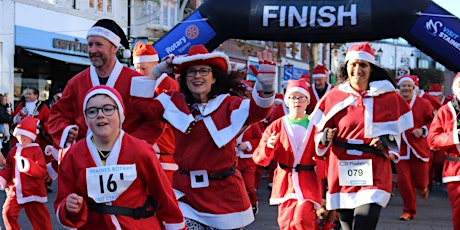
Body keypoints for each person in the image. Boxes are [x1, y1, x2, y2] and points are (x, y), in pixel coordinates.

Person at [130, 44, 276, 229]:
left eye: (203, 71)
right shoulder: (173, 101)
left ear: (214, 77)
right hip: (186, 195)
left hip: (224, 197)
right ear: (184, 78)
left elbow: (259, 112)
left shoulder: (229, 104)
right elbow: (141, 105)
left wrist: (268, 89)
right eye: (191, 72)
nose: (197, 76)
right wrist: (158, 71)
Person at [309, 42, 413, 230]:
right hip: (342, 169)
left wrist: (385, 141)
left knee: (364, 223)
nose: (358, 69)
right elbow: (318, 131)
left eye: (363, 65)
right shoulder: (334, 96)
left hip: (374, 169)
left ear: (371, 68)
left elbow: (398, 134)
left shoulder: (389, 96)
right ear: (346, 67)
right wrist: (325, 137)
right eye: (353, 64)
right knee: (347, 227)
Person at [54, 85, 185, 229]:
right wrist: (69, 206)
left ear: (120, 113)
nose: (100, 115)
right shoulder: (74, 155)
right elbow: (63, 199)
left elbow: (164, 197)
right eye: (92, 111)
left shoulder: (141, 151)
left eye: (108, 109)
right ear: (86, 118)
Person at [48, 19, 164, 151]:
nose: (93, 50)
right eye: (90, 45)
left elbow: (155, 119)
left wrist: (132, 144)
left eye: (99, 44)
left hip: (126, 161)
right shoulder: (76, 82)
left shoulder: (136, 81)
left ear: (114, 47)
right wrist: (66, 130)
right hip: (87, 158)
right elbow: (57, 114)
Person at [253, 78, 322, 229]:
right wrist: (268, 147)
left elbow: (325, 153)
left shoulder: (316, 126)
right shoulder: (277, 125)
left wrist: (322, 168)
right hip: (285, 182)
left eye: (301, 97)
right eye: (293, 97)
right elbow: (259, 158)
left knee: (302, 220)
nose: (297, 101)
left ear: (307, 101)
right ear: (286, 101)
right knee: (286, 223)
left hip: (308, 181)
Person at [132, 40, 180, 183]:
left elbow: (159, 120)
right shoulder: (139, 84)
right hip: (144, 149)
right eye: (136, 68)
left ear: (155, 65)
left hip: (164, 152)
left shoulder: (169, 85)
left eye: (143, 68)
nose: (139, 73)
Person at [0, 116, 52, 229]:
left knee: (40, 219)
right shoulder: (14, 150)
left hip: (33, 191)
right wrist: (2, 178)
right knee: (7, 213)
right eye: (19, 135)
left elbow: (41, 170)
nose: (22, 138)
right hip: (15, 190)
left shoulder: (36, 150)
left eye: (25, 136)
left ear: (32, 137)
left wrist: (28, 166)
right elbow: (9, 166)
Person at [395, 75, 434, 221]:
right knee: (404, 182)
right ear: (399, 88)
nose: (405, 88)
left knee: (421, 181)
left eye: (408, 86)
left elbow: (434, 123)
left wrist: (423, 130)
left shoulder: (424, 104)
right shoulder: (395, 104)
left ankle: (423, 188)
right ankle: (409, 210)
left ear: (414, 88)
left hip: (419, 148)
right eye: (403, 86)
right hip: (401, 149)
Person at [427, 72, 460, 230]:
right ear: (455, 89)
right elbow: (432, 140)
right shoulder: (445, 111)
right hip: (456, 170)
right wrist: (455, 136)